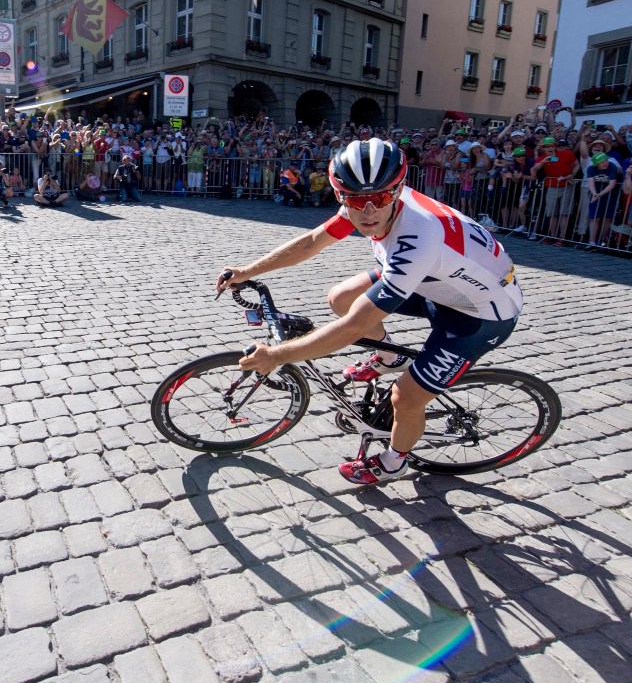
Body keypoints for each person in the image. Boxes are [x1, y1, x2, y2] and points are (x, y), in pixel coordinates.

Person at [219, 139, 522, 486]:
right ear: (340, 195)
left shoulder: (418, 238)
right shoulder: (370, 202)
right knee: (340, 297)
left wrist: (277, 355)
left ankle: (394, 461)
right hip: (436, 282)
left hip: (479, 313)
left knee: (405, 398)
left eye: (379, 199)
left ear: (399, 189)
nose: (367, 212)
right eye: (354, 200)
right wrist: (248, 271)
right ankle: (389, 358)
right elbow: (312, 242)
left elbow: (354, 328)